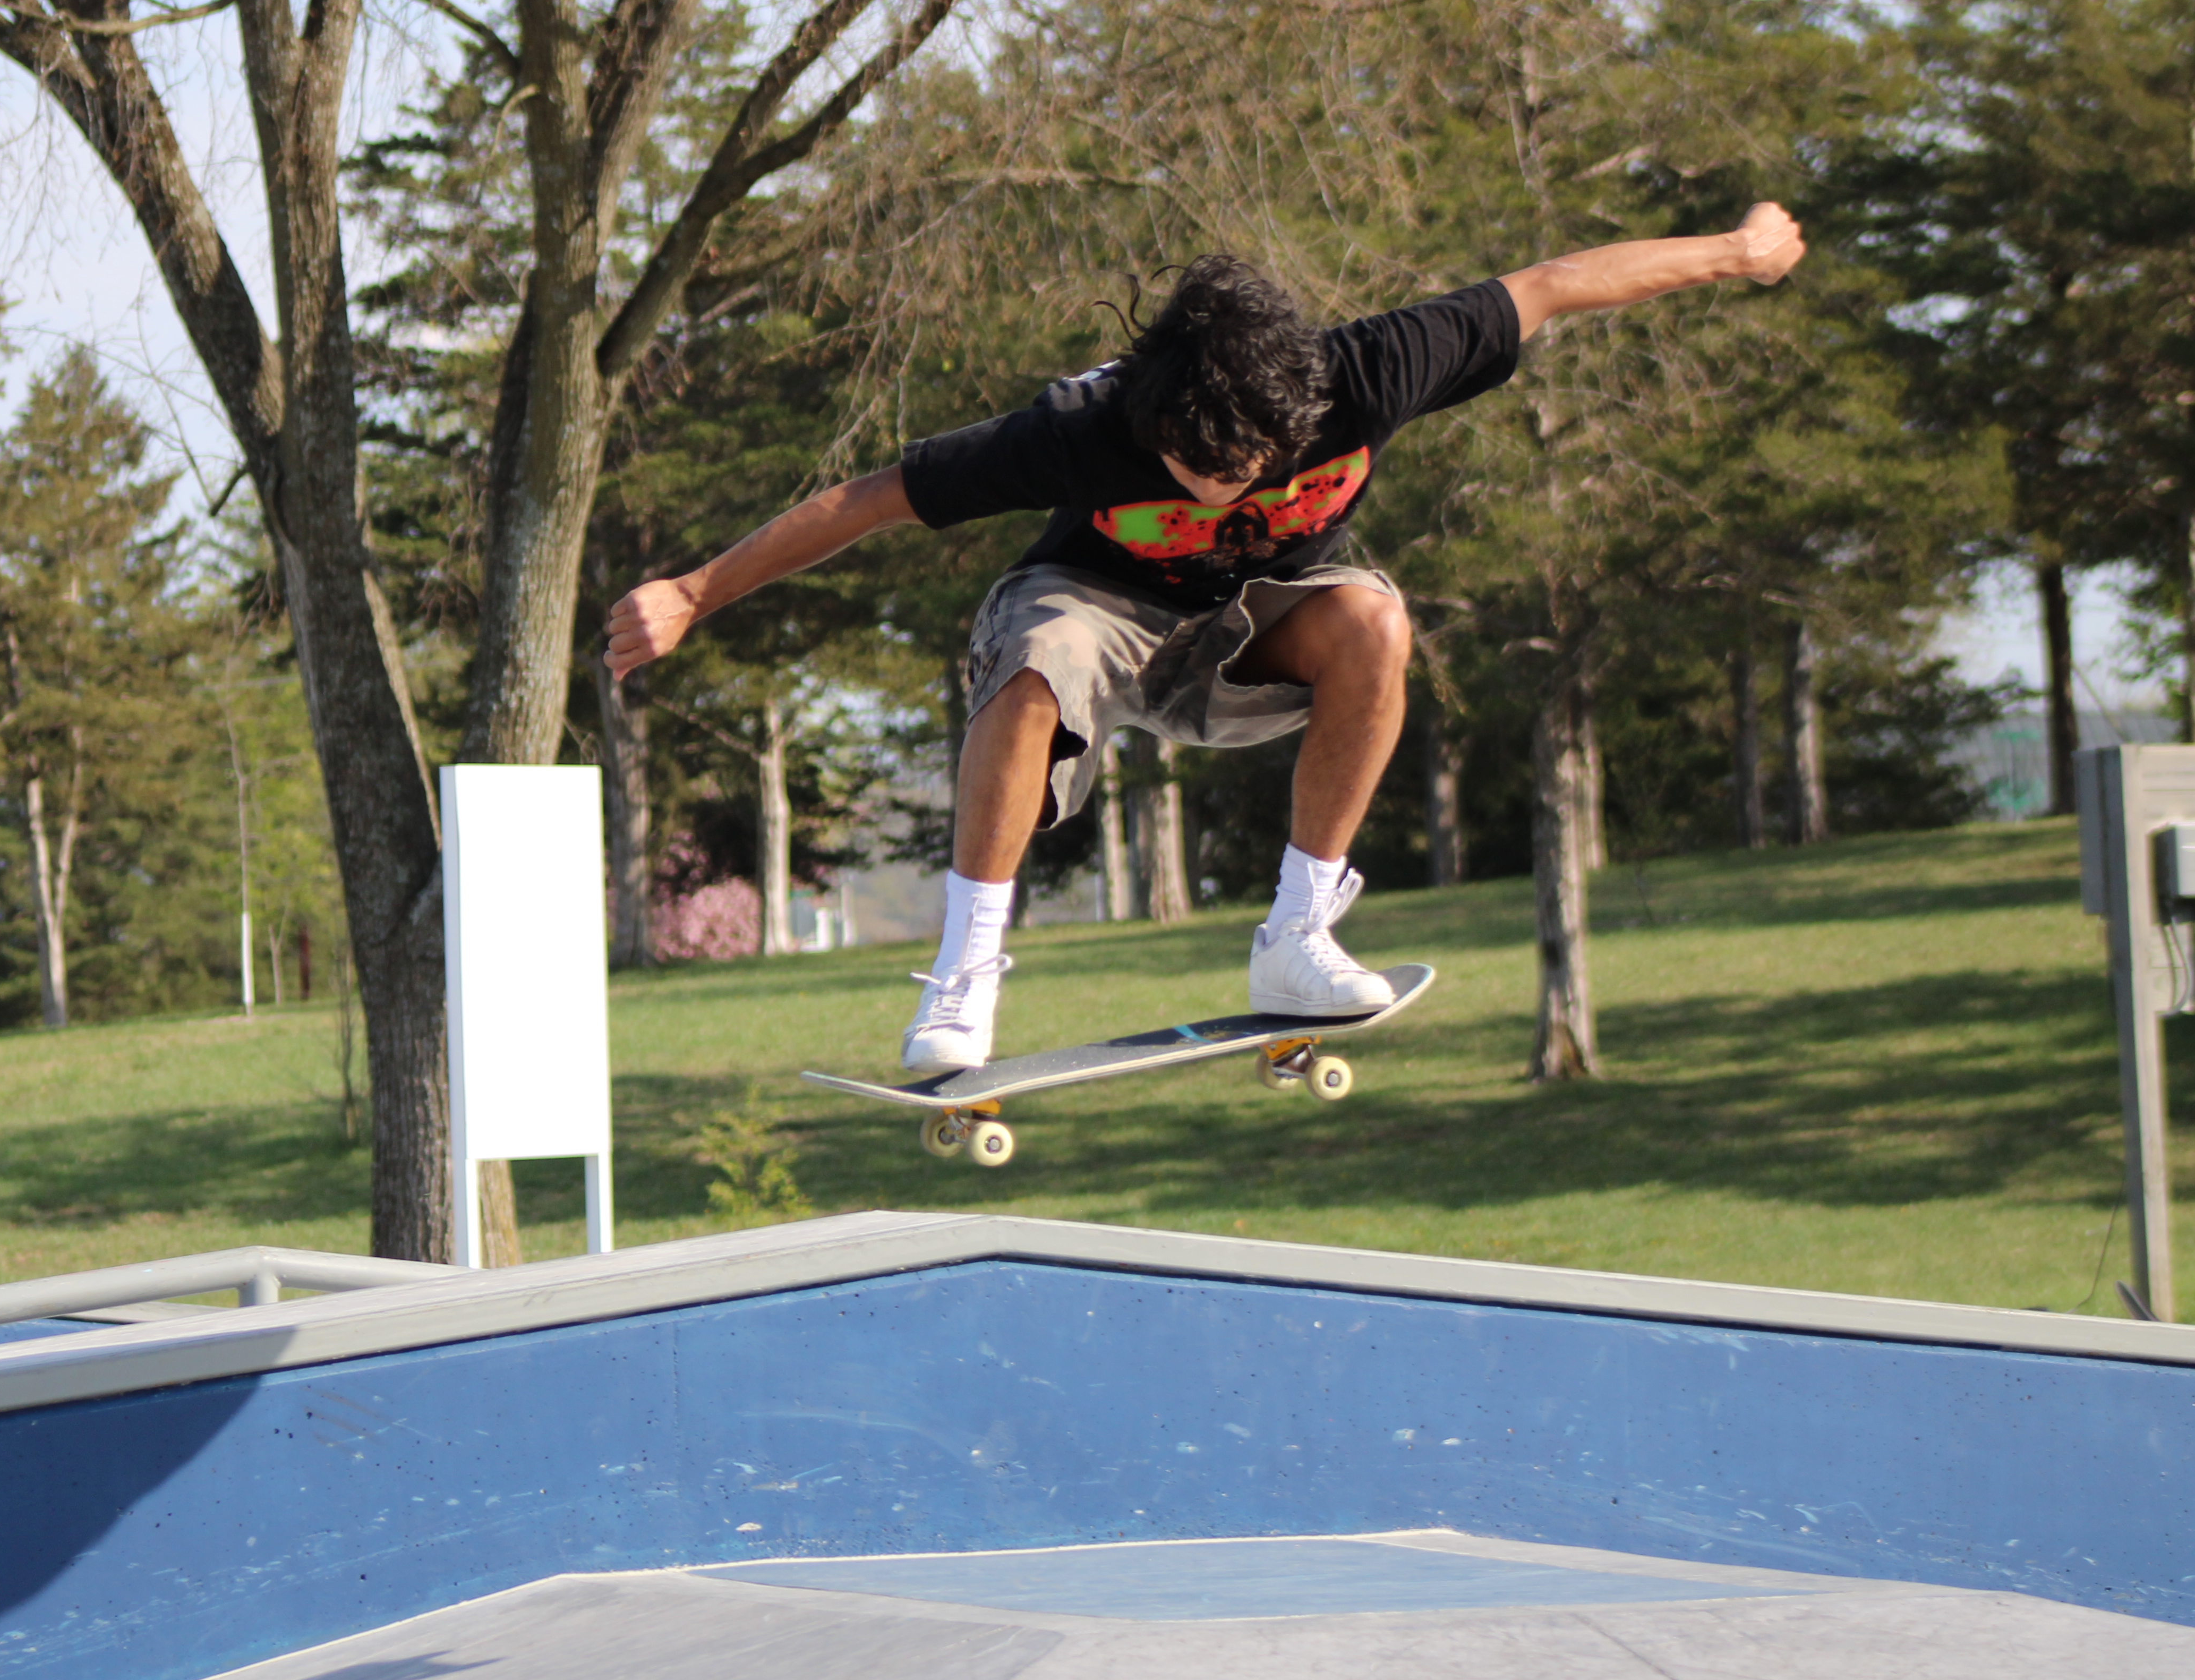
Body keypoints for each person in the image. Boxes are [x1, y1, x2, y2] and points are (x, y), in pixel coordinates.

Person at [606, 204, 1809, 1068]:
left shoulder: (1369, 371)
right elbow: (873, 496)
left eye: (1252, 472)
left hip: (1242, 643)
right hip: (1098, 615)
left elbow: (1547, 284)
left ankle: (1296, 935)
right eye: (1194, 468)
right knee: (1041, 653)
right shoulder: (1079, 424)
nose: (1224, 493)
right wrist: (698, 592)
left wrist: (1738, 254)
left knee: (1375, 617)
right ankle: (966, 970)